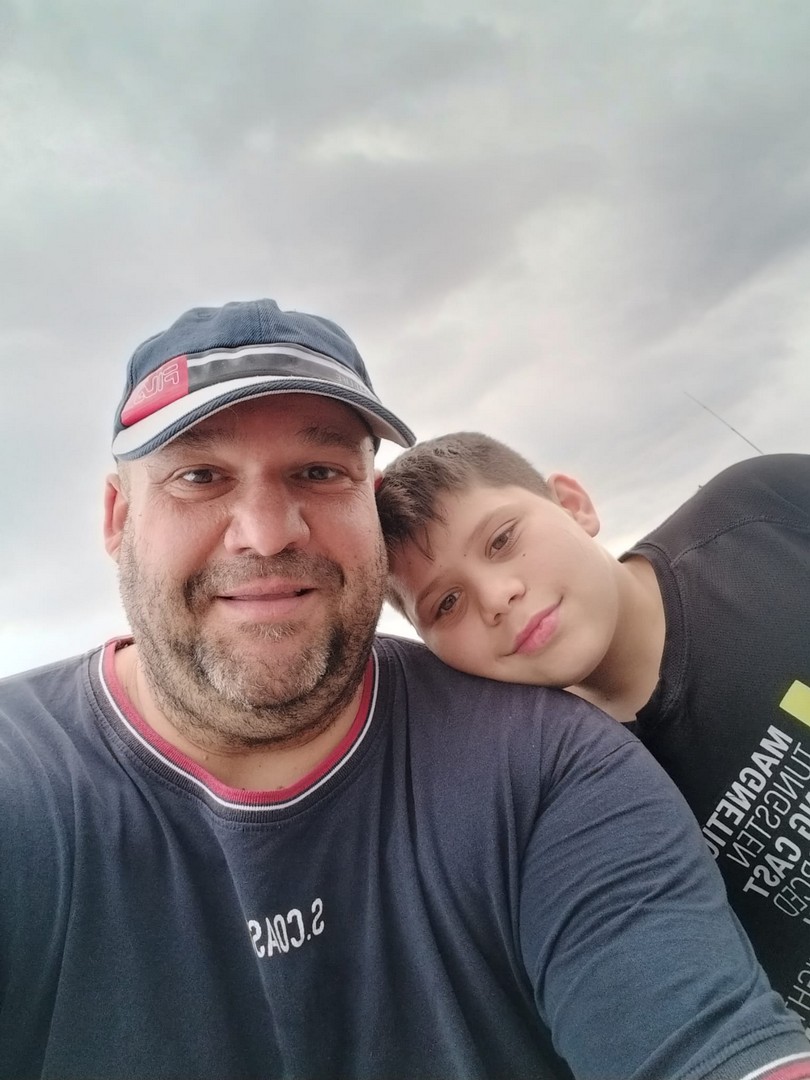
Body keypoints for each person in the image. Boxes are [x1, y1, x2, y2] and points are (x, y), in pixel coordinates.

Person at [1, 303, 809, 1080]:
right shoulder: (25, 786)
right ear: (118, 518)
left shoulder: (547, 762)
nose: (268, 532)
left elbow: (698, 1034)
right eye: (200, 476)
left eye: (319, 471)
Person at [376, 430, 810, 1036]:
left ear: (573, 504)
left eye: (502, 539)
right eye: (446, 603)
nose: (496, 597)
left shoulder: (764, 510)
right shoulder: (546, 792)